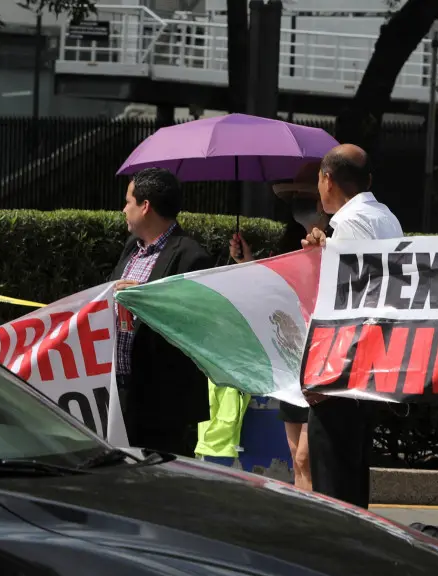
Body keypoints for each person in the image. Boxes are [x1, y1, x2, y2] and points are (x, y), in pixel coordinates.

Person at [301, 145, 403, 507]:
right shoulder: (385, 217)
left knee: (335, 492)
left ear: (327, 179)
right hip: (369, 370)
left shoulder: (350, 222)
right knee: (351, 480)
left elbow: (348, 304)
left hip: (342, 373)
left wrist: (328, 376)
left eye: (318, 179)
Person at [230, 160, 329, 491]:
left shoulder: (337, 243)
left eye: (308, 196)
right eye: (296, 197)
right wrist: (246, 262)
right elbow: (270, 290)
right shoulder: (288, 244)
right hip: (292, 360)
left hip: (321, 359)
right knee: (294, 454)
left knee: (306, 457)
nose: (302, 204)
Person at [112, 168, 213, 456]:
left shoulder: (192, 256)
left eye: (128, 202)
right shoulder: (132, 249)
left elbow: (196, 322)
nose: (124, 210)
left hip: (163, 403)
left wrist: (148, 297)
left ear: (145, 207)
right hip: (123, 393)